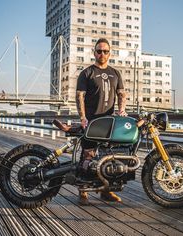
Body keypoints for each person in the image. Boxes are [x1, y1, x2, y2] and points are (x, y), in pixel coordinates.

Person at [76, 38, 127, 205]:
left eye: (105, 51)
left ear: (110, 53)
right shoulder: (87, 73)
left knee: (108, 157)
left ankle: (106, 191)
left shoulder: (115, 73)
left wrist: (121, 110)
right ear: (94, 52)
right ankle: (83, 191)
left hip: (109, 122)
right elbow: (79, 96)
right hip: (91, 121)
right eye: (99, 51)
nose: (102, 54)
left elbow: (121, 94)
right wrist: (82, 117)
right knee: (88, 156)